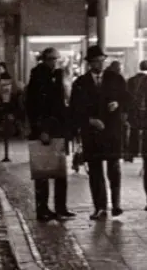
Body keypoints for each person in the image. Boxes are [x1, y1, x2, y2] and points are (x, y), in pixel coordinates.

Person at [70, 46, 131, 220]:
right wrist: (89, 120)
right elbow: (75, 109)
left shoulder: (116, 79)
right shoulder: (80, 83)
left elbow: (127, 98)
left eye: (101, 60)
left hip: (112, 131)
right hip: (92, 133)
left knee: (114, 168)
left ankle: (116, 205)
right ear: (89, 63)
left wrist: (117, 103)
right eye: (96, 61)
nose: (99, 64)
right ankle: (100, 207)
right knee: (95, 171)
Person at [25, 48, 74, 222]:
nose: (55, 62)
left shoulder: (59, 76)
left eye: (57, 59)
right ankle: (43, 208)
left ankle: (61, 207)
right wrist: (41, 129)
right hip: (45, 131)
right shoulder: (38, 77)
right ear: (44, 60)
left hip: (58, 129)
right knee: (43, 172)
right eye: (52, 59)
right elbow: (34, 105)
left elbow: (62, 102)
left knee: (60, 172)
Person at [127, 61, 147, 168]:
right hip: (143, 114)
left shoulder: (131, 80)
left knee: (133, 132)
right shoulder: (144, 80)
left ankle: (131, 154)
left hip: (134, 112)